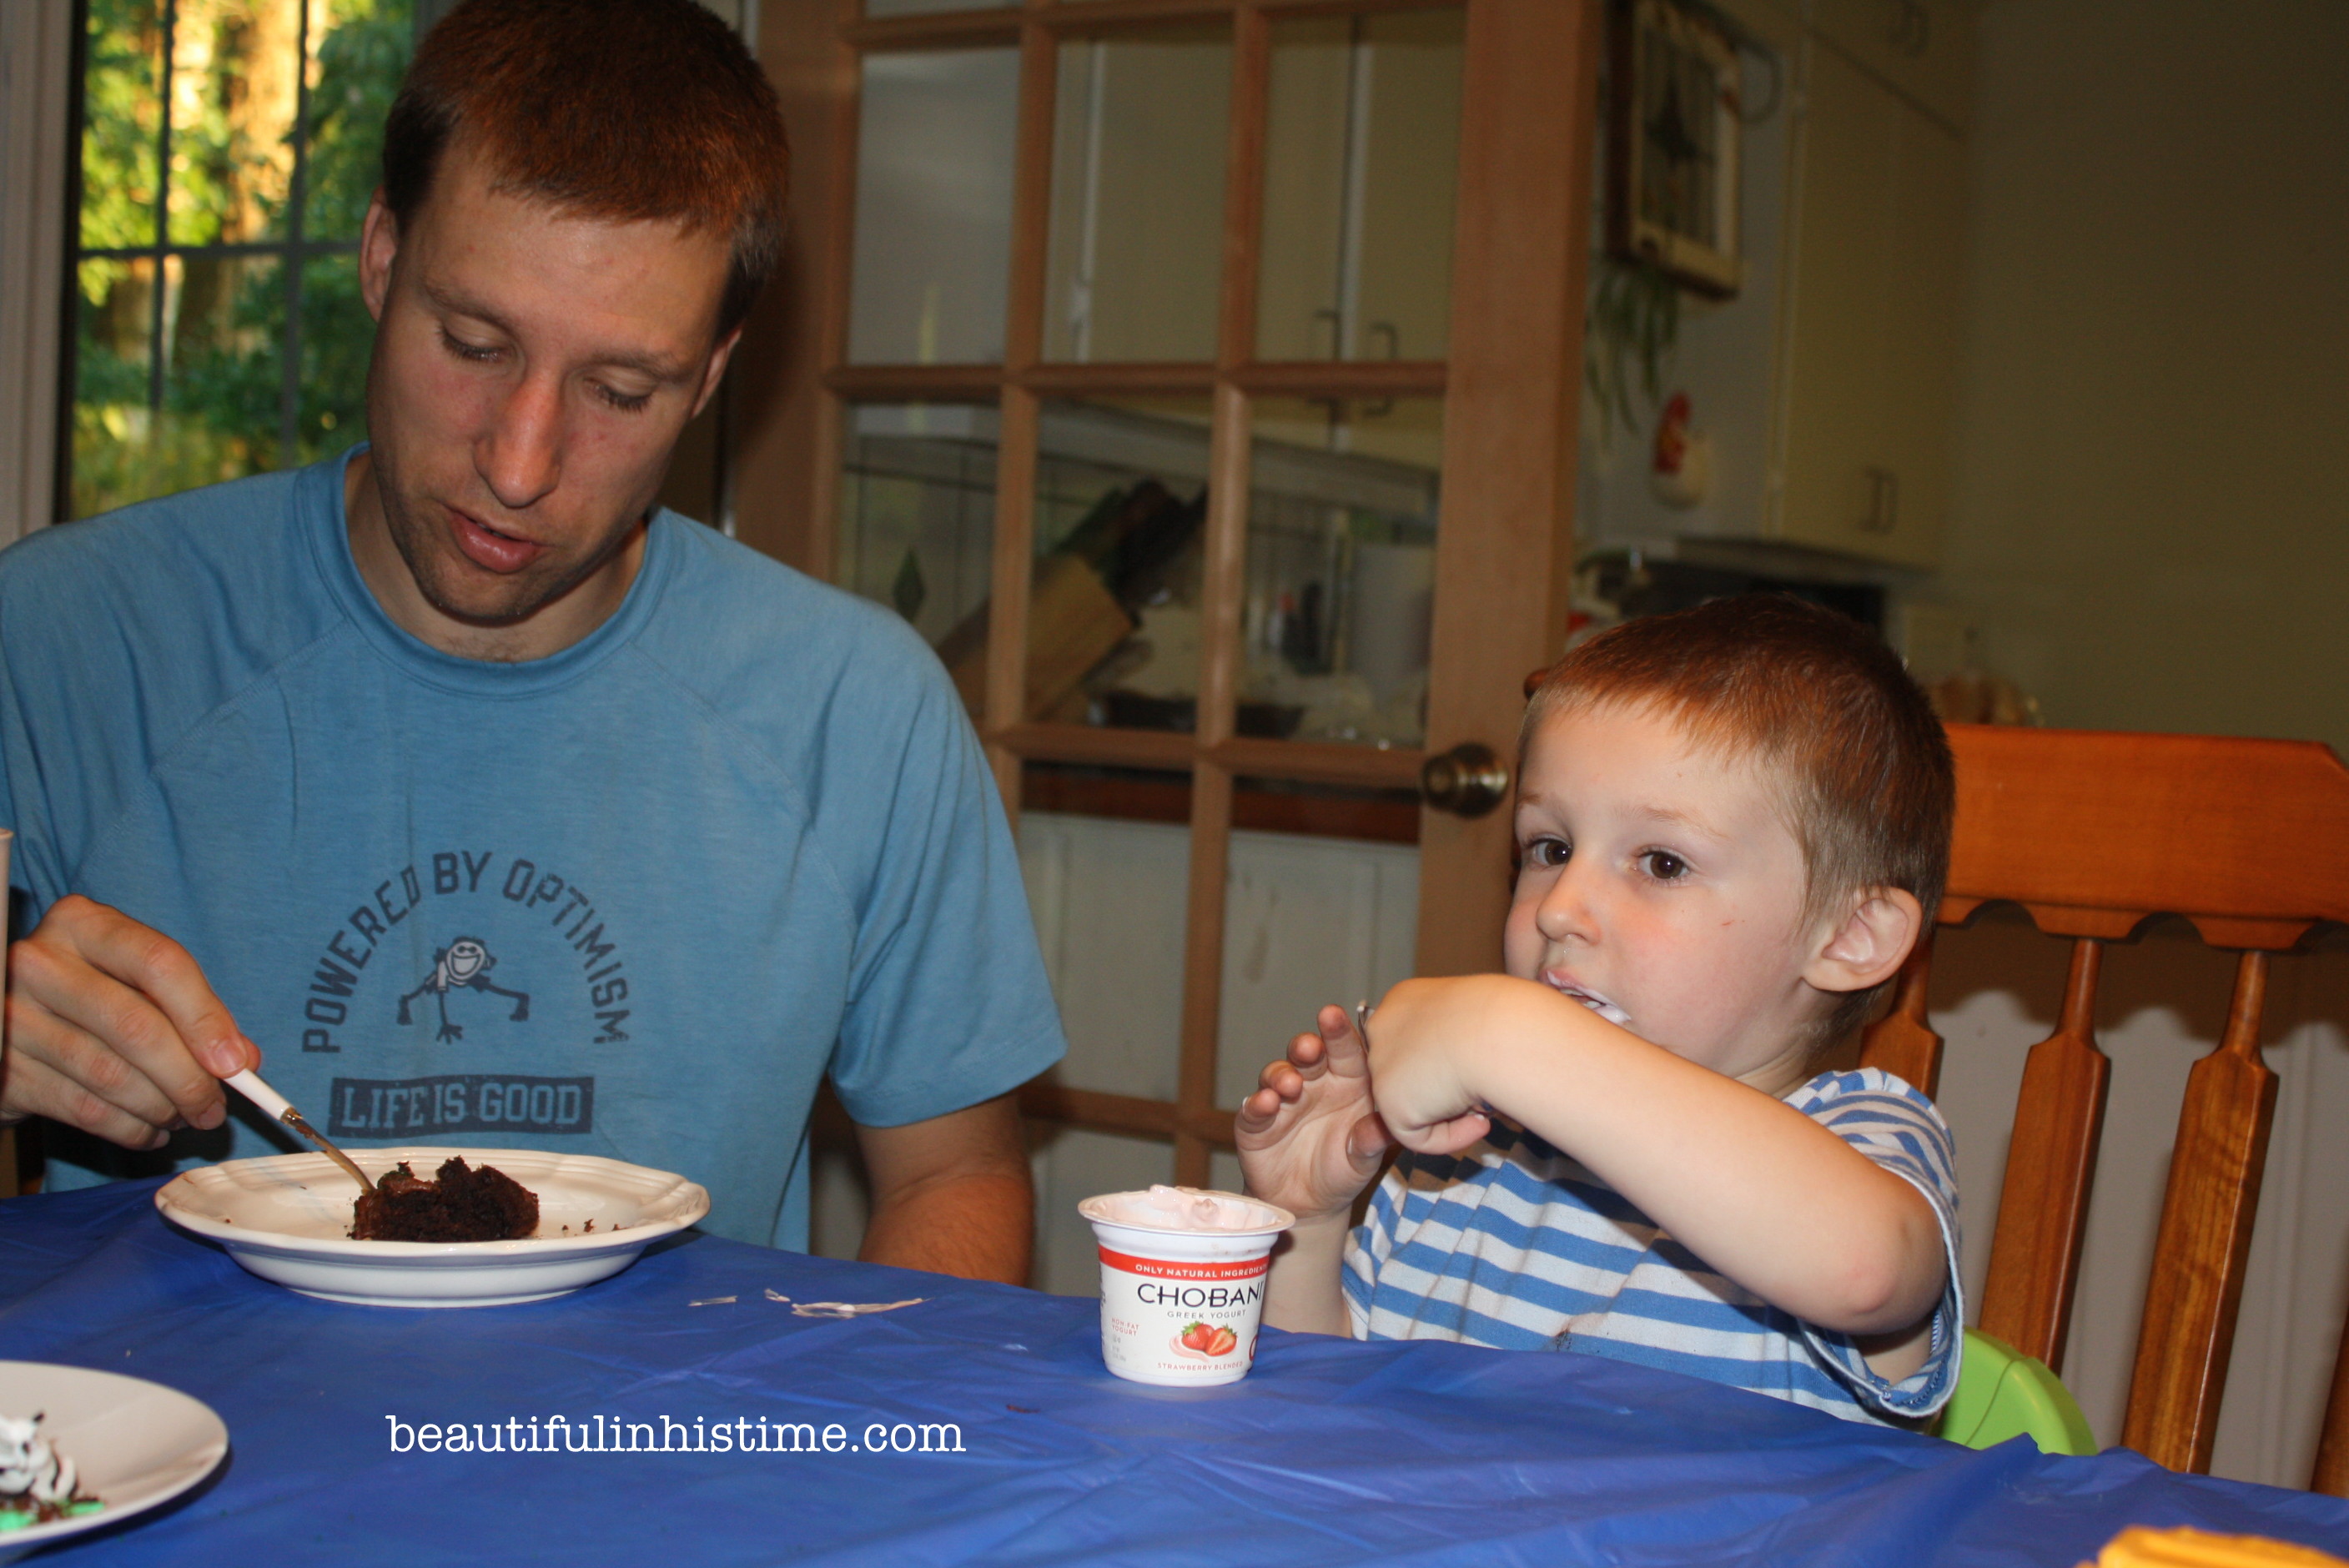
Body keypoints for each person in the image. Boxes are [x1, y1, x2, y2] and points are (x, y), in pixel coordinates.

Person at [0, 0, 1064, 1279]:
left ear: (716, 373)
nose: (519, 465)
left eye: (622, 392)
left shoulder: (856, 710)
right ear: (383, 260)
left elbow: (955, 1170)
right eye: (474, 344)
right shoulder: (63, 643)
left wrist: (867, 1454)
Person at [1235, 596, 1963, 1425]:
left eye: (1659, 860)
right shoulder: (1464, 1160)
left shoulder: (1863, 1139)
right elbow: (1317, 1418)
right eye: (1547, 849)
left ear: (1849, 935)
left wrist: (1504, 1033)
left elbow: (1861, 1271)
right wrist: (1307, 1223)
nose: (1558, 906)